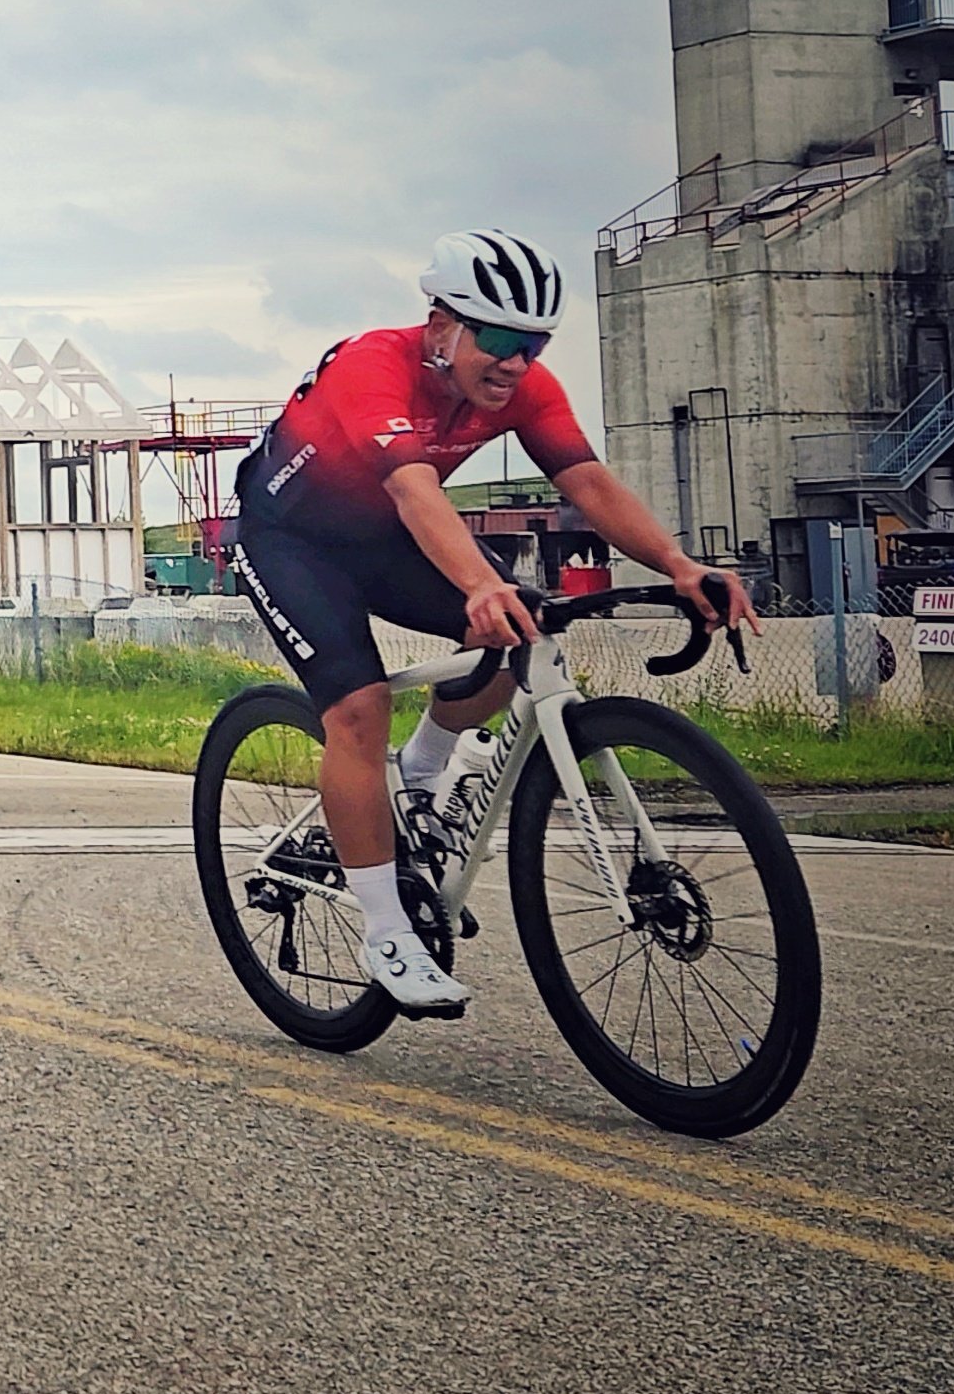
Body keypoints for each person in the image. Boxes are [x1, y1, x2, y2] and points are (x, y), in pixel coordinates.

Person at [232, 230, 756, 1015]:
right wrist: (479, 584)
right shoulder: (373, 365)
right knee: (358, 706)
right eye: (501, 338)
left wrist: (678, 566)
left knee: (524, 631)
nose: (517, 361)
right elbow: (415, 490)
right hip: (291, 540)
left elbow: (585, 481)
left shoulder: (525, 390)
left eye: (534, 342)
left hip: (386, 540)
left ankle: (424, 763)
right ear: (442, 325)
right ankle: (386, 933)